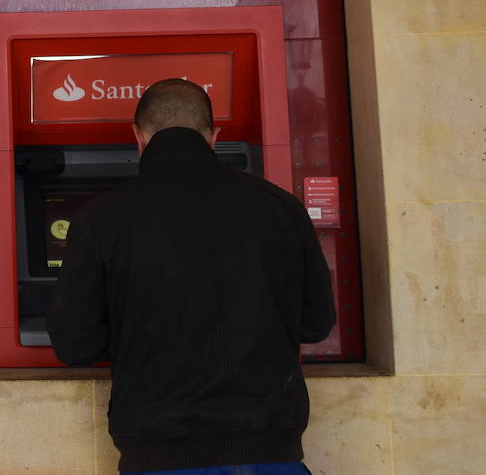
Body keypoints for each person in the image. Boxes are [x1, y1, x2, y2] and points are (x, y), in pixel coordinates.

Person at [47, 79, 335, 474]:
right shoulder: (281, 208)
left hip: (159, 455)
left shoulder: (101, 218)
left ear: (139, 136)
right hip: (272, 451)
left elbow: (76, 344)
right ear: (214, 136)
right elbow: (316, 323)